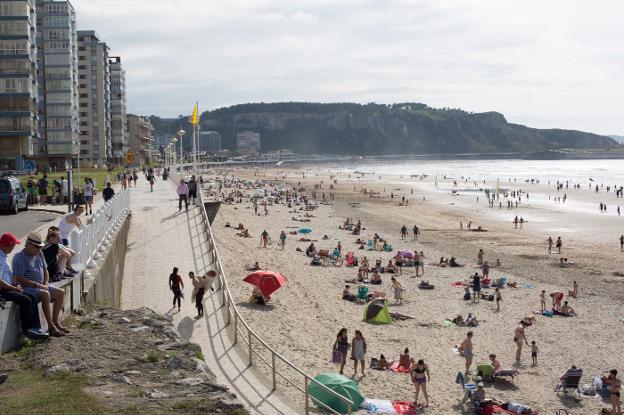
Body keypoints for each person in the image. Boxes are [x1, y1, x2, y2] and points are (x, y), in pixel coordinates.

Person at [12, 231, 68, 337]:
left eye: (39, 247)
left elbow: (45, 270)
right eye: (36, 247)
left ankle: (55, 322)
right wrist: (37, 285)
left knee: (60, 292)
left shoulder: (39, 253)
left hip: (40, 285)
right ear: (28, 245)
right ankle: (51, 327)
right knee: (45, 294)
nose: (39, 249)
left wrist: (45, 283)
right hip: (26, 287)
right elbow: (19, 278)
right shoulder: (19, 257)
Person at [0, 233, 47, 340]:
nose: (13, 248)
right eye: (12, 245)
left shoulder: (3, 256)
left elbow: (6, 276)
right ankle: (27, 330)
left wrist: (14, 284)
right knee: (26, 300)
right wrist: (13, 288)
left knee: (32, 297)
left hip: (8, 288)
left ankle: (36, 328)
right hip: (3, 290)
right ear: (6, 246)